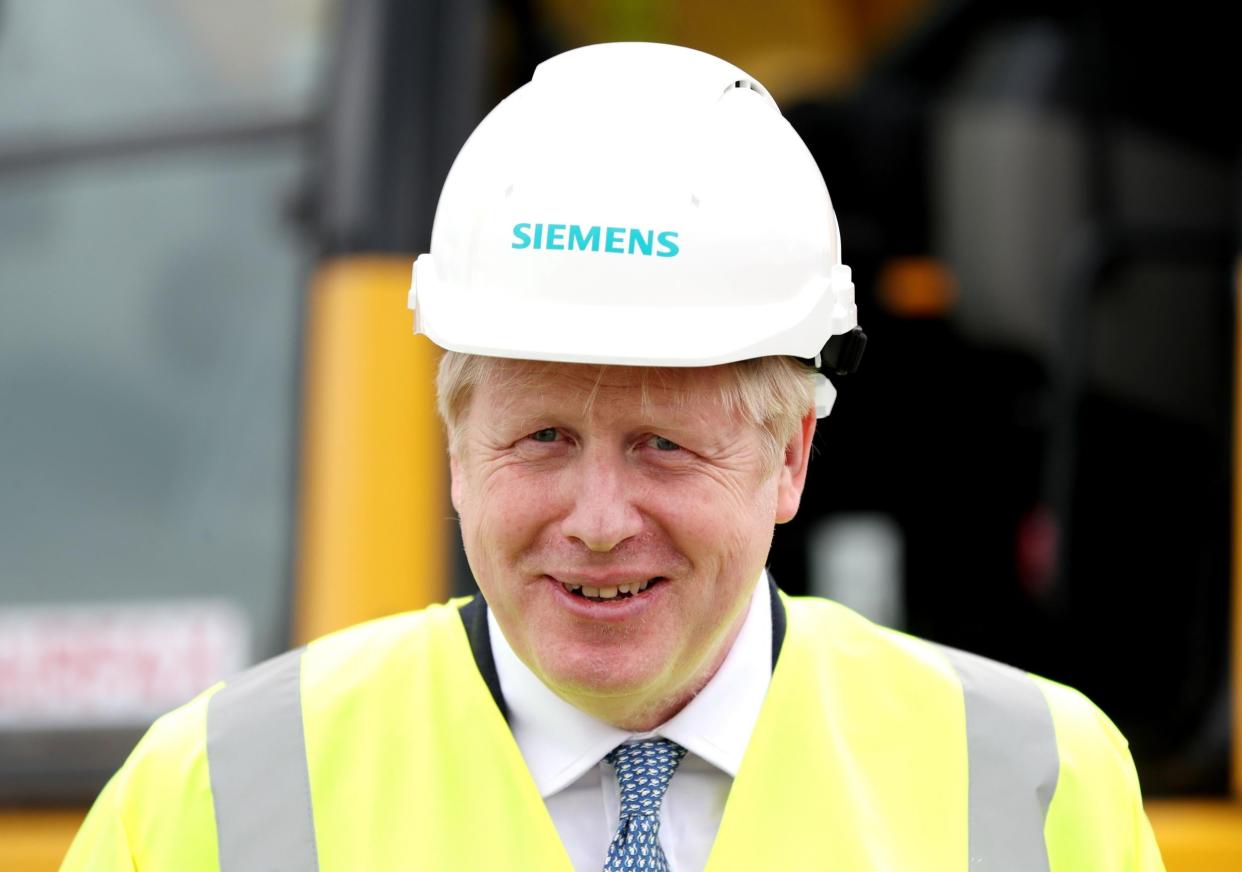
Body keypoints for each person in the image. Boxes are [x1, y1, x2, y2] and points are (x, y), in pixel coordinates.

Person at [62, 42, 1164, 871]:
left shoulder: (1039, 785)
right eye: (543, 435)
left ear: (790, 458)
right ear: (456, 446)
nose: (597, 517)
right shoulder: (204, 797)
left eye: (663, 445)